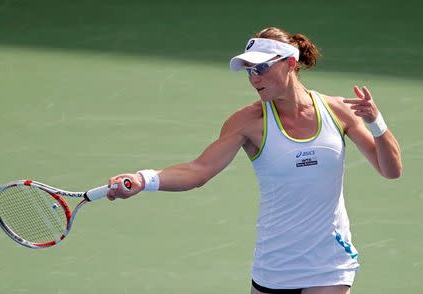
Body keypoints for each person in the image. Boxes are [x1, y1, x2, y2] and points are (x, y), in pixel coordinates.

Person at [106, 27, 402, 294]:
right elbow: (198, 171)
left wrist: (377, 124)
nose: (254, 78)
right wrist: (144, 179)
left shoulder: (338, 111)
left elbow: (391, 170)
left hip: (330, 263)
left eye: (260, 67)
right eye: (249, 70)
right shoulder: (248, 122)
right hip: (275, 265)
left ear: (290, 63)